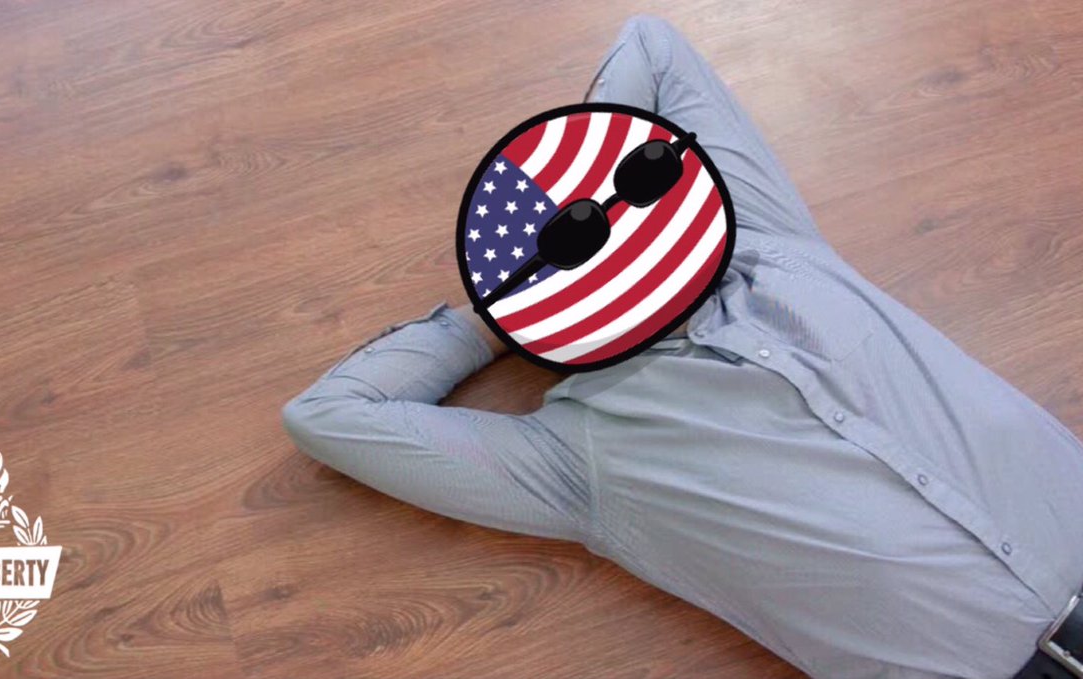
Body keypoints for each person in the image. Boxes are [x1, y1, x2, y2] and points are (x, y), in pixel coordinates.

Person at [282, 16, 1083, 679]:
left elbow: (653, 45)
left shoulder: (768, 245)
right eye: (569, 250)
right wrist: (494, 318)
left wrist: (605, 171)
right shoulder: (582, 455)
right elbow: (329, 415)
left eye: (596, 219)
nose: (601, 250)